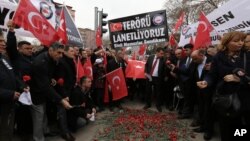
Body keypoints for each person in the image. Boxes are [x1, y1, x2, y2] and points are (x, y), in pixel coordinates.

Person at [197, 31, 246, 141]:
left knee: (240, 130)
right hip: (224, 99)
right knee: (225, 128)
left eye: (242, 41)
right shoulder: (218, 57)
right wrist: (206, 82)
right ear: (227, 42)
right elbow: (212, 75)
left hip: (243, 98)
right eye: (236, 41)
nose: (240, 43)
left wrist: (239, 79)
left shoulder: (246, 55)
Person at [29, 42, 72, 141]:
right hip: (36, 93)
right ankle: (38, 138)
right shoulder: (40, 62)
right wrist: (61, 100)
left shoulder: (52, 59)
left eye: (62, 53)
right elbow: (44, 86)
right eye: (59, 53)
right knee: (38, 118)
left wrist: (50, 78)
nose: (61, 56)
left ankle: (45, 131)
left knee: (43, 114)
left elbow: (48, 75)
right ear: (50, 50)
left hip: (44, 92)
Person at [0, 29, 27, 141]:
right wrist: (10, 94)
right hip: (3, 102)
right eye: (0, 41)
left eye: (3, 41)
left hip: (8, 104)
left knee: (7, 131)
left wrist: (22, 86)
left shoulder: (4, 58)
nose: (3, 43)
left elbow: (13, 75)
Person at [190, 49, 213, 140]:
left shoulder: (212, 60)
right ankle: (202, 127)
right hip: (199, 91)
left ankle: (209, 131)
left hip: (209, 91)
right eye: (193, 59)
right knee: (202, 110)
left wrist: (212, 68)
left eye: (195, 58)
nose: (194, 61)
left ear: (201, 55)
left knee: (209, 112)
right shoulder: (194, 63)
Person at [54, 46, 76, 141]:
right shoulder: (62, 63)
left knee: (68, 111)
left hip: (70, 89)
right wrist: (64, 95)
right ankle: (64, 132)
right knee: (62, 112)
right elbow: (60, 81)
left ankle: (69, 127)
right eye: (71, 51)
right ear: (65, 52)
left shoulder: (71, 61)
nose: (74, 53)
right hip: (62, 92)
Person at [143, 47, 165, 112]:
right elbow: (146, 65)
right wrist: (146, 73)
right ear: (157, 52)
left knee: (158, 92)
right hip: (149, 77)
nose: (162, 55)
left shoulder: (163, 60)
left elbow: (164, 69)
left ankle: (158, 105)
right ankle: (148, 104)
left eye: (163, 54)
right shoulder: (150, 57)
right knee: (148, 91)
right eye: (161, 53)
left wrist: (163, 77)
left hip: (158, 78)